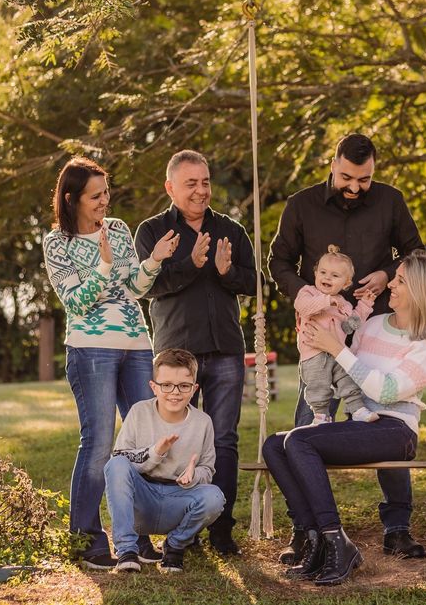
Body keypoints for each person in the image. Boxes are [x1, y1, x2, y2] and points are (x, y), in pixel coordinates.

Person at [268, 133, 426, 562]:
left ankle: (397, 526)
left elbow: (415, 252)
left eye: (365, 179)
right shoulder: (300, 205)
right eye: (347, 177)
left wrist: (384, 272)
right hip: (320, 334)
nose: (356, 187)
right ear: (333, 163)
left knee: (382, 416)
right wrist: (309, 297)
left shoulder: (390, 201)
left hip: (372, 329)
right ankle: (306, 531)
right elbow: (278, 262)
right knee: (308, 419)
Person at [262, 250, 426, 586]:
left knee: (299, 440)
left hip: (395, 429)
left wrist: (336, 348)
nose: (390, 283)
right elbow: (344, 373)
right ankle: (315, 538)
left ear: (421, 290)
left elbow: (388, 390)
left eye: (400, 280)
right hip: (360, 421)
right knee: (274, 445)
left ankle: (337, 541)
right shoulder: (374, 324)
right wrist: (316, 345)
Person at [42, 156, 180, 570]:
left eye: (107, 192)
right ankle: (86, 537)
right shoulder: (56, 243)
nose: (105, 201)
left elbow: (133, 289)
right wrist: (103, 265)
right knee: (100, 443)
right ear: (72, 199)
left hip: (137, 344)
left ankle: (135, 534)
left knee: (140, 441)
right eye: (96, 195)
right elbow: (78, 301)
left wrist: (153, 260)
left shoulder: (117, 229)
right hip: (90, 348)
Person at [134, 150, 257, 556]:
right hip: (175, 356)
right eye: (191, 183)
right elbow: (148, 286)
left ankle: (221, 528)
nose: (201, 190)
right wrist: (190, 263)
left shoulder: (231, 230)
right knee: (176, 440)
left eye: (205, 182)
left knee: (223, 440)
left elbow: (253, 283)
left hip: (224, 350)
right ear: (170, 187)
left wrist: (224, 272)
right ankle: (178, 527)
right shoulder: (152, 231)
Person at [104, 348, 226, 574]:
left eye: (184, 386)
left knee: (214, 497)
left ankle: (175, 546)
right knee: (115, 465)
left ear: (194, 389)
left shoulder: (203, 422)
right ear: (153, 387)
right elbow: (120, 458)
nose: (175, 392)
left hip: (178, 501)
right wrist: (155, 452)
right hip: (142, 500)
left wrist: (193, 475)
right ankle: (127, 551)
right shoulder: (139, 412)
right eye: (166, 385)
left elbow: (207, 469)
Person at [293, 246, 378, 425]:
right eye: (323, 272)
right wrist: (326, 300)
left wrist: (365, 305)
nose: (327, 277)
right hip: (313, 354)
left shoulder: (344, 304)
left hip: (338, 353)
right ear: (315, 273)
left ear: (346, 284)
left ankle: (357, 409)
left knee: (348, 380)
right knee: (318, 386)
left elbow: (349, 326)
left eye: (335, 275)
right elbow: (303, 307)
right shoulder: (308, 292)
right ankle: (321, 416)